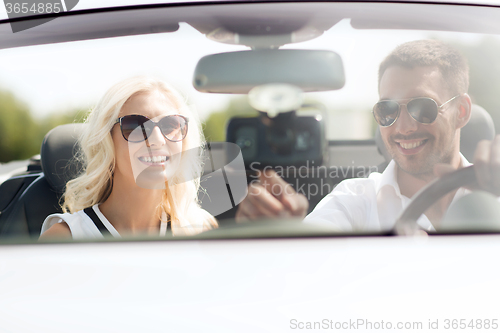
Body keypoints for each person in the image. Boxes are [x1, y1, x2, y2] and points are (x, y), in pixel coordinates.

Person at [236, 39, 500, 231]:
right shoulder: (354, 200)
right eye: (388, 110)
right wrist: (287, 235)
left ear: (462, 111)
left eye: (423, 107)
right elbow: (310, 263)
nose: (403, 127)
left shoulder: (496, 191)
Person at [40, 77, 217, 239]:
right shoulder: (65, 238)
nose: (157, 140)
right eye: (135, 125)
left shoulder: (201, 228)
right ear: (106, 139)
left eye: (170, 124)